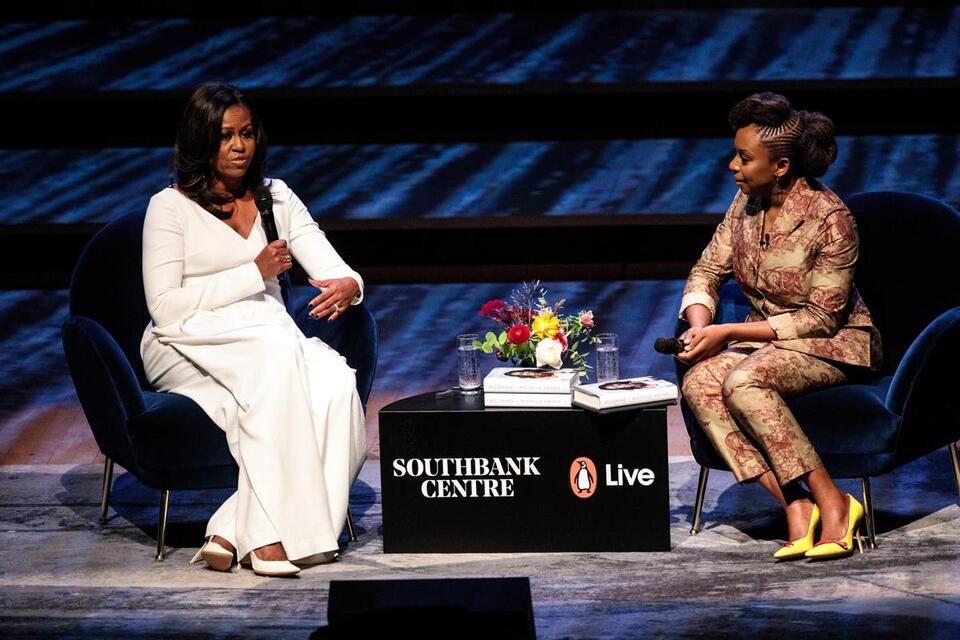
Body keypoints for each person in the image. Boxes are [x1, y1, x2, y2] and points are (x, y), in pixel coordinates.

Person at [140, 84, 367, 577]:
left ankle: (237, 528)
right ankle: (266, 541)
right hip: (186, 338)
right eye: (226, 136)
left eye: (246, 133)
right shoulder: (169, 208)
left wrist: (351, 284)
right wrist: (254, 271)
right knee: (277, 357)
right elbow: (164, 307)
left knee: (335, 384)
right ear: (202, 140)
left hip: (266, 334)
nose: (239, 146)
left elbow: (330, 264)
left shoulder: (275, 197)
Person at [677, 92, 881, 561]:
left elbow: (821, 318)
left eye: (744, 158)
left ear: (782, 166)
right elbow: (707, 270)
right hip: (769, 342)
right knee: (700, 382)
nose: (732, 165)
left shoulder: (831, 219)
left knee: (744, 381)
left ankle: (835, 502)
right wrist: (700, 327)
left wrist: (728, 334)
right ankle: (795, 504)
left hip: (834, 343)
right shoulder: (745, 204)